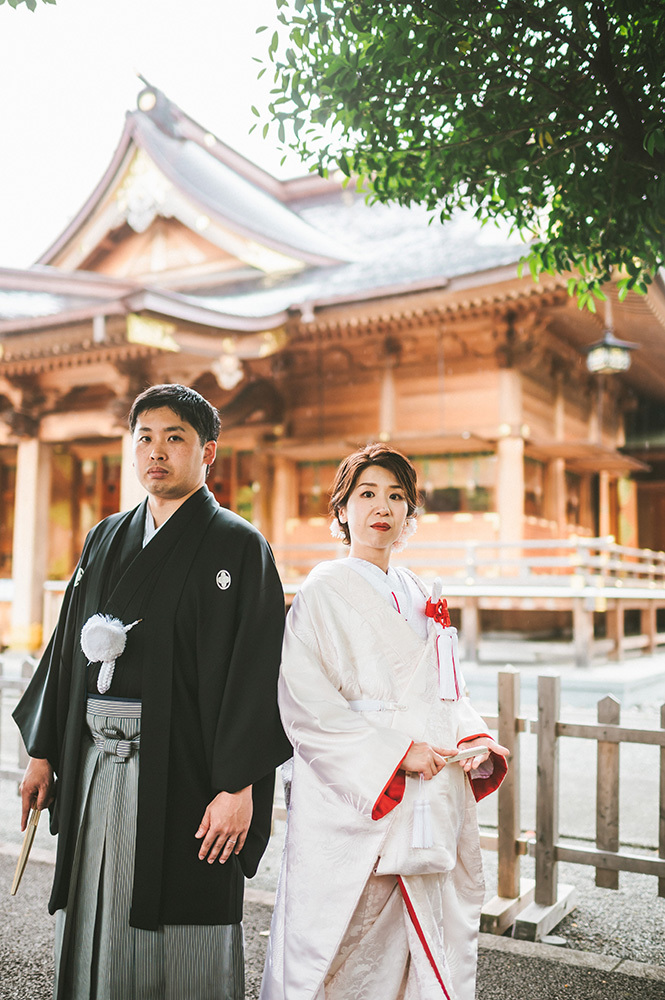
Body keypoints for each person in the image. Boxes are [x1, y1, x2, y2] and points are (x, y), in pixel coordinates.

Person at [14, 383, 292, 1000]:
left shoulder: (240, 546)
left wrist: (239, 784)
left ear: (208, 452)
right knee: (95, 901)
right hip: (92, 764)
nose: (156, 453)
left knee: (184, 912)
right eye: (144, 438)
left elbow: (259, 671)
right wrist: (44, 752)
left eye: (175, 438)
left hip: (190, 770)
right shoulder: (105, 538)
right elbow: (66, 652)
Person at [261, 443, 509, 1000]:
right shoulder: (322, 590)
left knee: (412, 939)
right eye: (367, 494)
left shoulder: (419, 591)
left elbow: (447, 688)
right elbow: (306, 704)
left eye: (396, 496)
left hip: (426, 785)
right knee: (343, 933)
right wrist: (396, 753)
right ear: (342, 510)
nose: (383, 507)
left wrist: (472, 737)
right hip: (361, 789)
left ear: (409, 513)